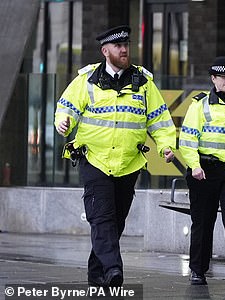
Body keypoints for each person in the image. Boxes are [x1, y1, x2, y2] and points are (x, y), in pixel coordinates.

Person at [54, 25, 176, 287]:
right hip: (94, 159)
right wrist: (63, 122)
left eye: (126, 45)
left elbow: (159, 119)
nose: (124, 50)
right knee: (102, 217)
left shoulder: (143, 83)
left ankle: (96, 272)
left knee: (115, 221)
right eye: (118, 46)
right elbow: (65, 107)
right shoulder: (87, 80)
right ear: (105, 51)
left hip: (128, 163)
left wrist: (166, 144)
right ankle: (112, 270)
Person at [179, 57, 225, 287]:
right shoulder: (200, 104)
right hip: (204, 171)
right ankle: (198, 270)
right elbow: (187, 139)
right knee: (203, 222)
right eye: (223, 77)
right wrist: (195, 166)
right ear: (213, 79)